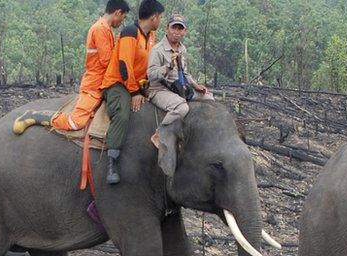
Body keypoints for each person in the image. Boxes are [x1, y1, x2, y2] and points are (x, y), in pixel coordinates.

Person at [13, 0, 130, 134]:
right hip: (94, 85)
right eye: (123, 17)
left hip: (104, 82)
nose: (122, 21)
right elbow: (106, 61)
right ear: (117, 12)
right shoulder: (100, 29)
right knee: (76, 123)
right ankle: (36, 116)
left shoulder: (108, 30)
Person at [100, 0, 165, 184]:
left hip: (140, 83)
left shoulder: (151, 35)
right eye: (159, 17)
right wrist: (135, 92)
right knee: (122, 113)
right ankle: (112, 161)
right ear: (153, 17)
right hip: (118, 83)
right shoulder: (130, 32)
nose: (159, 20)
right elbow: (124, 65)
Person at [146, 14, 209, 146]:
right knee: (181, 108)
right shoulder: (158, 50)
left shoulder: (182, 49)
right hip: (159, 89)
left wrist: (195, 85)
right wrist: (168, 67)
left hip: (179, 87)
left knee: (209, 98)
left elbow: (184, 73)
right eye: (174, 28)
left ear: (185, 32)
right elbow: (151, 75)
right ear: (167, 29)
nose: (177, 32)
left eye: (180, 29)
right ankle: (159, 134)